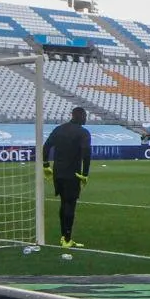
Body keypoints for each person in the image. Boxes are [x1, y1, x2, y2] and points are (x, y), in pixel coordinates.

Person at [43, 106, 92, 247]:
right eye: (85, 116)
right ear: (81, 116)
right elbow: (86, 154)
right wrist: (85, 174)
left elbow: (46, 147)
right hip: (73, 174)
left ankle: (64, 237)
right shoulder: (83, 133)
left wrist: (46, 165)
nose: (86, 119)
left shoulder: (59, 129)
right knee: (70, 204)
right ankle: (67, 239)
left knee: (64, 203)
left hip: (58, 173)